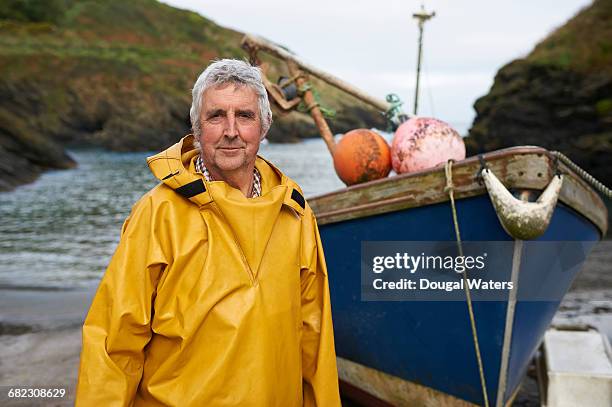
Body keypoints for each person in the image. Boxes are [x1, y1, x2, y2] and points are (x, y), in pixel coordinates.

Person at [75, 59, 341, 406]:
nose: (231, 130)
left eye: (244, 116)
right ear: (197, 129)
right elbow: (114, 344)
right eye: (216, 116)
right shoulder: (158, 214)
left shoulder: (295, 213)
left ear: (264, 126)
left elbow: (315, 344)